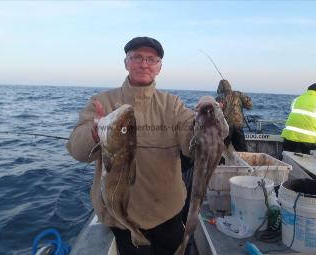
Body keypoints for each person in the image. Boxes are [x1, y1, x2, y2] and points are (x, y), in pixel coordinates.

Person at [66, 36, 228, 255]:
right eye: (137, 57)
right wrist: (93, 134)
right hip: (122, 218)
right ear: (126, 63)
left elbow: (191, 145)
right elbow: (77, 150)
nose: (144, 64)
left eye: (152, 59)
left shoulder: (173, 105)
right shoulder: (101, 102)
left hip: (168, 213)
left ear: (159, 67)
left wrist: (209, 117)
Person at [281, 83, 316, 155]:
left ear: (308, 91)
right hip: (309, 138)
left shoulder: (296, 100)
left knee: (287, 156)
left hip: (290, 134)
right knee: (306, 160)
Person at [215, 79, 253, 151]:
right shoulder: (238, 94)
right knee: (242, 150)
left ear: (220, 87)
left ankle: (223, 161)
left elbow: (214, 114)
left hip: (225, 127)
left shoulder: (218, 98)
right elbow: (250, 106)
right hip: (238, 126)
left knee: (222, 150)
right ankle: (243, 161)